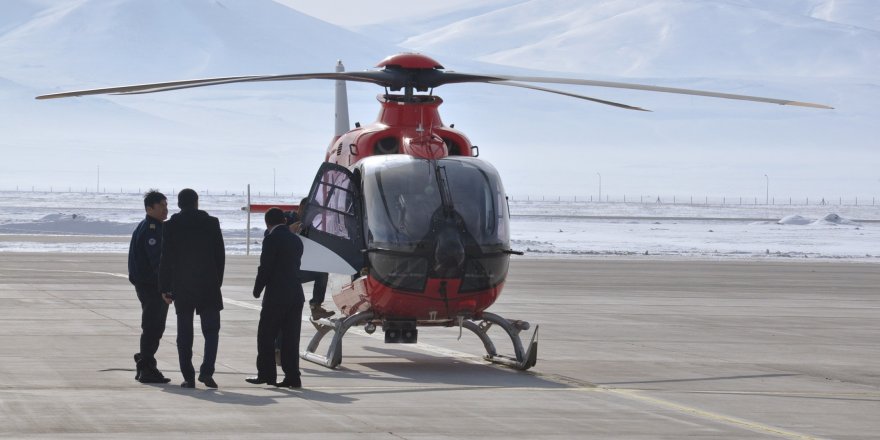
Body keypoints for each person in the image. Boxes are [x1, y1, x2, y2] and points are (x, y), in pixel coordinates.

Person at [159, 188, 225, 389]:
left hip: (183, 285)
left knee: (184, 333)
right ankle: (207, 372)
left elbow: (166, 259)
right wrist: (217, 281)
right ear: (197, 202)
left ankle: (188, 376)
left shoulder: (171, 226)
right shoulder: (212, 223)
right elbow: (220, 256)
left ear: (179, 204)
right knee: (211, 331)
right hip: (209, 284)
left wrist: (165, 287)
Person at [248, 207, 304, 388]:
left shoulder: (271, 239)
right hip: (296, 295)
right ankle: (292, 376)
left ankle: (266, 374)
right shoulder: (296, 240)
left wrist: (257, 289)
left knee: (266, 335)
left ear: (267, 223)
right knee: (291, 338)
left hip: (277, 295)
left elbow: (266, 267)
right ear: (285, 221)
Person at [127, 190, 171, 384]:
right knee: (153, 326)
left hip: (148, 285)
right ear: (149, 208)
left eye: (166, 205)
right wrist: (165, 288)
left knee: (154, 326)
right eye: (161, 206)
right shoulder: (152, 229)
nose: (165, 210)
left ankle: (145, 360)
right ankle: (146, 366)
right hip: (152, 287)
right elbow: (157, 263)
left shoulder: (150, 226)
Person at [290, 198, 334, 320]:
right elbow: (270, 233)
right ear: (301, 208)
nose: (313, 217)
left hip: (297, 269)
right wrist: (288, 230)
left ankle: (316, 307)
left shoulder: (309, 227)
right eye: (312, 213)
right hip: (284, 271)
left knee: (322, 274)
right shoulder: (287, 218)